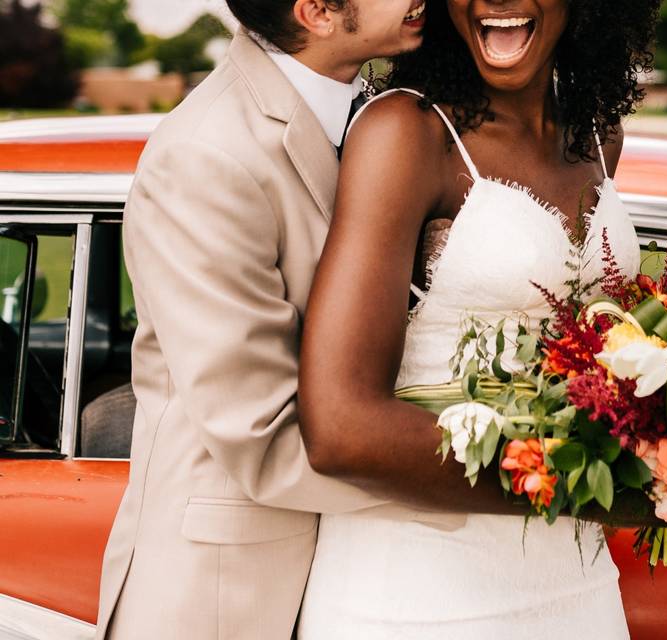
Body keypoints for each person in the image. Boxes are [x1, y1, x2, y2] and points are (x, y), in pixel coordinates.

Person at [296, 0, 661, 637]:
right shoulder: (406, 133)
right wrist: (586, 479)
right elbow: (339, 425)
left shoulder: (598, 135)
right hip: (419, 590)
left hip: (576, 585)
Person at [95, 1, 431, 638]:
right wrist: (494, 469)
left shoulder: (395, 112)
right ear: (318, 13)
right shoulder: (203, 157)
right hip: (232, 597)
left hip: (375, 576)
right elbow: (261, 434)